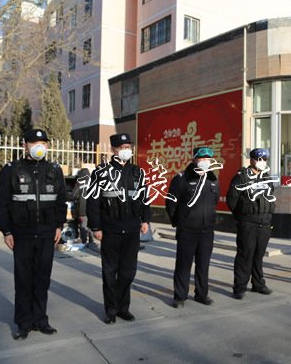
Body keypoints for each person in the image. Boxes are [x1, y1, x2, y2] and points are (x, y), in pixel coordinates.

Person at [0, 129, 66, 340]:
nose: (38, 146)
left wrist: (59, 226)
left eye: (42, 142)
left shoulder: (54, 169)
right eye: (34, 142)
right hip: (22, 233)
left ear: (48, 146)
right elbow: (2, 203)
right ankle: (24, 323)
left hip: (46, 233)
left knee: (42, 279)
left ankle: (40, 320)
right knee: (24, 280)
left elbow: (61, 200)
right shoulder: (11, 170)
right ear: (24, 145)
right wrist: (6, 230)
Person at [86, 133, 151, 324]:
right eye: (122, 147)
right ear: (113, 150)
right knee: (110, 272)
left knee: (128, 272)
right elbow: (93, 202)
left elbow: (144, 198)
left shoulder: (137, 172)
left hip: (131, 230)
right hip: (110, 230)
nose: (126, 151)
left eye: (128, 147)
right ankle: (111, 310)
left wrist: (145, 220)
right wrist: (96, 226)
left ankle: (124, 308)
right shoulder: (101, 172)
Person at [166, 147, 220, 308]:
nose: (205, 161)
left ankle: (202, 294)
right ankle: (180, 296)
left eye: (208, 159)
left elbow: (215, 201)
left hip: (206, 231)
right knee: (183, 264)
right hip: (187, 230)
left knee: (203, 265)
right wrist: (178, 222)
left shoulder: (213, 179)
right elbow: (171, 203)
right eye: (201, 158)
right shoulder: (181, 179)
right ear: (194, 159)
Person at [227, 148, 276, 299]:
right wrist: (241, 217)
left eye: (264, 159)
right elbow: (232, 200)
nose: (262, 162)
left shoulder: (266, 177)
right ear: (252, 160)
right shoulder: (241, 177)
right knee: (245, 255)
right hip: (248, 223)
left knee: (258, 256)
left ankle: (258, 284)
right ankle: (240, 287)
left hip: (264, 223)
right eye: (259, 159)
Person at [72, 168, 94, 245]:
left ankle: (84, 242)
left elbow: (74, 195)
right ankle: (91, 241)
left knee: (83, 226)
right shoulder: (93, 182)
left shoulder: (80, 183)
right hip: (92, 209)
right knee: (91, 225)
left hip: (82, 209)